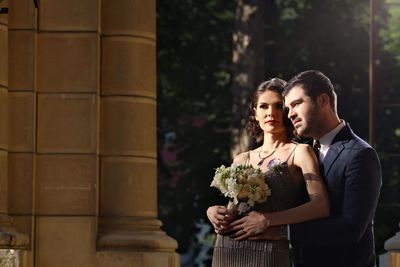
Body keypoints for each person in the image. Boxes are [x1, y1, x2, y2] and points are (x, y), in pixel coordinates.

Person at [206, 78, 330, 267]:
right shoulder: (241, 158)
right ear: (255, 112)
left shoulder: (300, 152)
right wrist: (214, 212)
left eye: (278, 106)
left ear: (288, 110)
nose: (271, 113)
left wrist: (269, 220)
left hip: (269, 250)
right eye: (263, 106)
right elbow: (233, 207)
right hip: (227, 248)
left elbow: (321, 206)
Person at [282, 70, 382, 267]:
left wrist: (283, 231)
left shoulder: (360, 154)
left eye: (296, 104)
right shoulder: (301, 154)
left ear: (323, 101)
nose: (290, 114)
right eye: (287, 108)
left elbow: (351, 228)